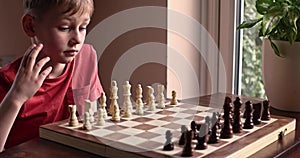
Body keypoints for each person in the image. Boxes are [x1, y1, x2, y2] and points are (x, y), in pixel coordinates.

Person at [0, 0, 103, 152]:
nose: (78, 39)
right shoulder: (7, 80)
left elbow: (94, 122)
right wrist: (16, 97)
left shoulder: (85, 58)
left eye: (83, 28)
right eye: (64, 28)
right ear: (30, 26)